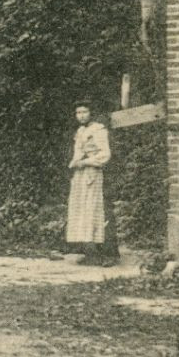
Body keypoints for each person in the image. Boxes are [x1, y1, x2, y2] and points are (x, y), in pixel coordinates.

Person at [66, 102, 116, 265]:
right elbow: (78, 153)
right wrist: (74, 164)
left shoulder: (98, 130)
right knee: (82, 211)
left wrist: (86, 162)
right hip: (80, 175)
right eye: (78, 112)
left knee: (93, 209)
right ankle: (89, 251)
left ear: (91, 113)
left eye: (84, 111)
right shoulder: (81, 131)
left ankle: (104, 254)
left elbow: (105, 154)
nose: (81, 115)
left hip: (92, 174)